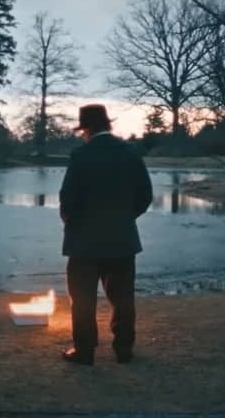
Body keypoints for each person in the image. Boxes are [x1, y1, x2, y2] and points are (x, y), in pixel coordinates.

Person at [58, 104, 153, 366]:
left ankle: (85, 351)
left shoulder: (81, 155)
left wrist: (71, 220)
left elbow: (68, 198)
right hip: (122, 239)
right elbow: (145, 195)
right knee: (123, 299)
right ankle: (124, 349)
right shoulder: (130, 153)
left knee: (82, 300)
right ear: (108, 124)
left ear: (86, 129)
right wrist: (124, 218)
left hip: (83, 242)